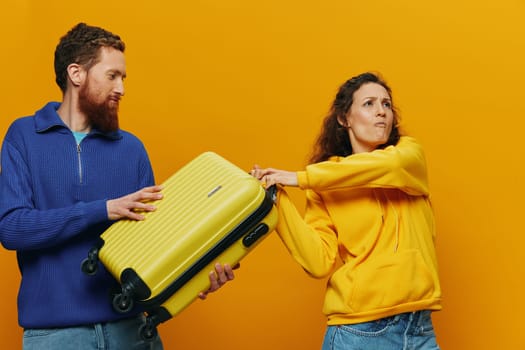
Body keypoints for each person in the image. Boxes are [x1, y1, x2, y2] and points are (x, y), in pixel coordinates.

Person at [0, 23, 235, 350]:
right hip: (55, 336)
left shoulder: (131, 149)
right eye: (112, 76)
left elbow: (155, 247)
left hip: (132, 332)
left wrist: (197, 279)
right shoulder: (24, 137)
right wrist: (103, 209)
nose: (122, 88)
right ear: (76, 74)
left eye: (123, 78)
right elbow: (12, 228)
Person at [251, 72, 442, 349]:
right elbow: (318, 261)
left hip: (419, 327)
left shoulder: (408, 156)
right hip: (358, 332)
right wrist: (276, 199)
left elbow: (390, 167)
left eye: (386, 104)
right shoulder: (325, 185)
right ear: (345, 119)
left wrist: (301, 177)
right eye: (369, 104)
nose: (381, 112)